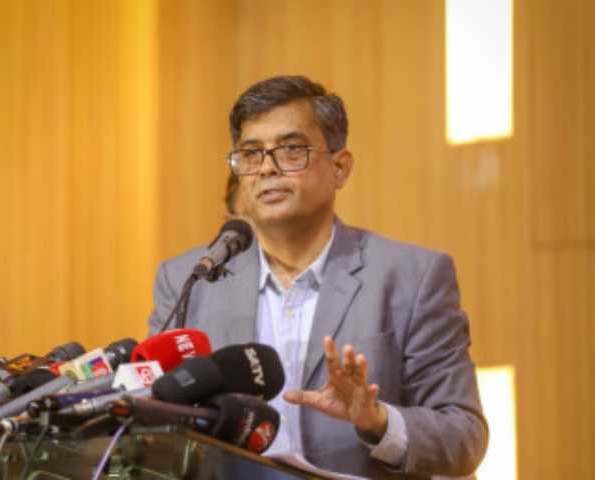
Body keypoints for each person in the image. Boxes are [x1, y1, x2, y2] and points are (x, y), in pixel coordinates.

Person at [147, 75, 488, 478]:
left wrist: (378, 421)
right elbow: (156, 421)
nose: (267, 168)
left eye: (291, 150)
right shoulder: (190, 280)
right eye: (251, 154)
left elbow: (463, 435)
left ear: (340, 168)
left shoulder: (412, 278)